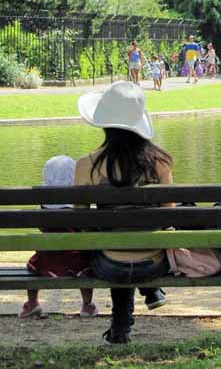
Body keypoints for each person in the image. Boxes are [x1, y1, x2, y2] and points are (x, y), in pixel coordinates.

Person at [76, 81, 174, 344]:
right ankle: (150, 290)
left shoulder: (86, 166)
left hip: (109, 265)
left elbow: (81, 219)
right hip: (155, 264)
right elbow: (170, 216)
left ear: (105, 123)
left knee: (111, 244)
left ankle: (120, 329)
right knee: (133, 239)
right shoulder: (161, 163)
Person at [19, 155, 98, 319]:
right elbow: (86, 229)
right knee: (86, 262)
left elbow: (41, 227)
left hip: (47, 260)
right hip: (76, 261)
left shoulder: (43, 202)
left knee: (33, 265)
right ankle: (87, 305)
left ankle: (32, 303)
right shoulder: (78, 201)